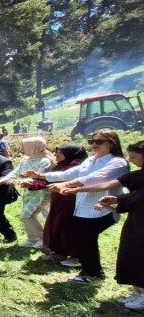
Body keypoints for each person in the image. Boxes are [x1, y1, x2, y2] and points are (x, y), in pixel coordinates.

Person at [24, 129, 128, 284]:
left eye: (99, 142)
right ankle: (88, 272)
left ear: (112, 143)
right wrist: (40, 176)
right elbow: (71, 173)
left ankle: (93, 274)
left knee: (86, 239)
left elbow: (94, 178)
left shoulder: (117, 162)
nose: (94, 145)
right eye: (91, 141)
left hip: (102, 209)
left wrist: (67, 185)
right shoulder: (91, 160)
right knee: (83, 240)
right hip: (84, 207)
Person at [66, 140, 144, 306]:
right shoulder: (138, 174)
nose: (131, 160)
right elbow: (110, 184)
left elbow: (139, 197)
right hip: (136, 221)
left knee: (140, 257)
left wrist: (118, 200)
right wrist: (79, 188)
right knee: (130, 254)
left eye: (134, 157)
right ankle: (137, 292)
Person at [0, 137, 54, 247]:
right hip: (28, 193)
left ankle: (42, 239)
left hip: (41, 194)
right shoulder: (26, 159)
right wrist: (1, 181)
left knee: (27, 215)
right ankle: (32, 239)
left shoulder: (45, 161)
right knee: (27, 215)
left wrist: (21, 181)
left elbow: (41, 178)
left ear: (33, 147)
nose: (22, 148)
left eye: (25, 146)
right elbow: (15, 172)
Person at [26, 145, 87, 264]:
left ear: (70, 155)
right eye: (56, 152)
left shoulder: (79, 168)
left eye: (60, 153)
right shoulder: (59, 167)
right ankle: (59, 253)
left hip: (72, 202)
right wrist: (31, 185)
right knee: (57, 226)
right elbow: (49, 181)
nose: (56, 155)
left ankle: (76, 257)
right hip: (58, 202)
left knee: (70, 228)